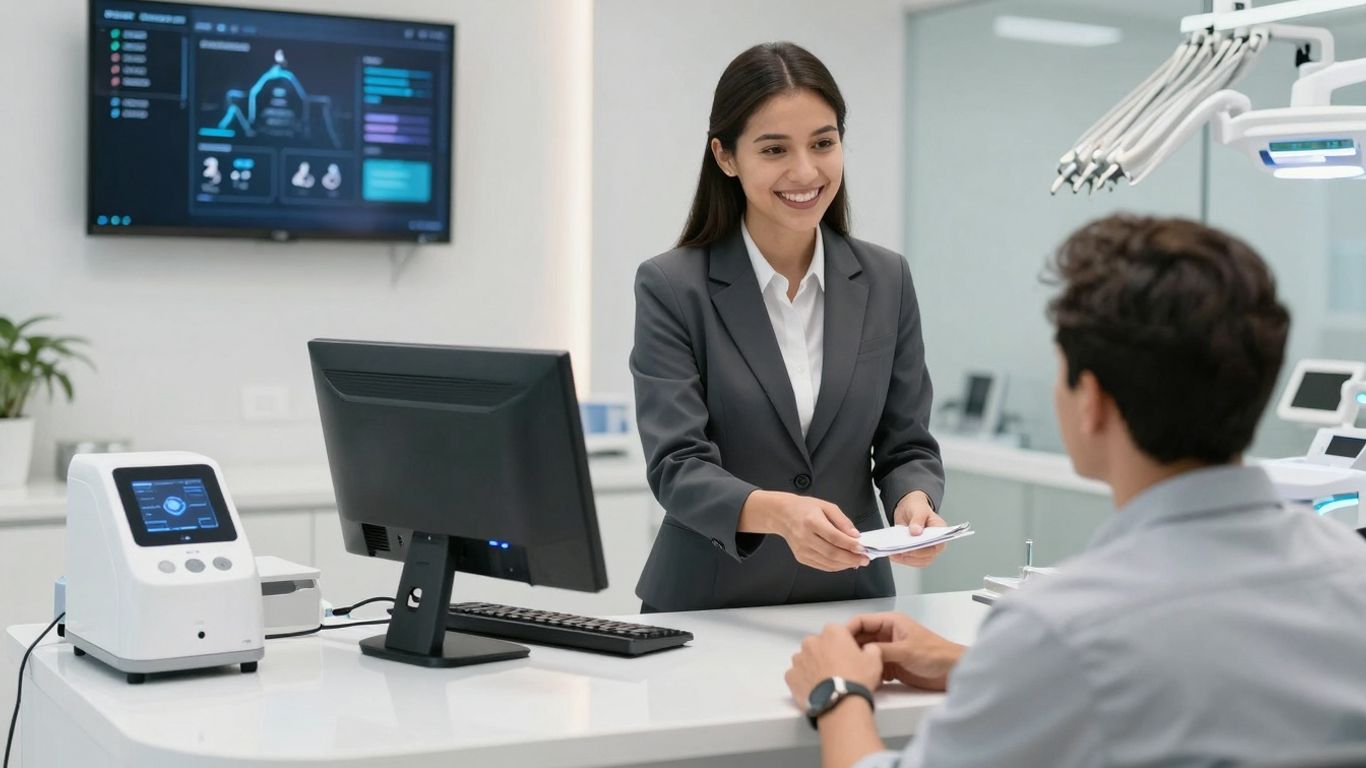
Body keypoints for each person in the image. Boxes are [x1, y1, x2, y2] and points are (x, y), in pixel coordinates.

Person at [784, 214, 1366, 766]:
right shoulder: (1351, 576)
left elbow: (1103, 666)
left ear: (1091, 402)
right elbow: (1212, 685)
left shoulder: (1061, 630)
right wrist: (977, 666)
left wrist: (837, 692)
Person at [630, 42, 947, 613]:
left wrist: (914, 502)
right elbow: (677, 467)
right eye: (775, 149)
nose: (805, 172)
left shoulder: (886, 278)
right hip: (709, 606)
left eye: (824, 143)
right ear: (726, 157)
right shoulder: (672, 286)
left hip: (850, 599)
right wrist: (780, 515)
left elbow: (907, 443)